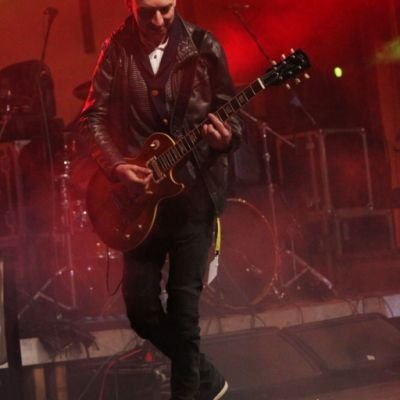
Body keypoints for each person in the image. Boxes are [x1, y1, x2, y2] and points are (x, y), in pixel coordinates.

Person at [79, 0, 242, 399]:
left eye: (165, 9)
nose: (157, 20)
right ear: (130, 5)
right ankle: (207, 378)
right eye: (147, 11)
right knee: (141, 311)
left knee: (184, 313)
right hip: (139, 202)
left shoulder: (204, 46)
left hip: (194, 197)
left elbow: (233, 116)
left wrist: (227, 138)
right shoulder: (117, 49)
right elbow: (91, 119)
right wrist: (118, 166)